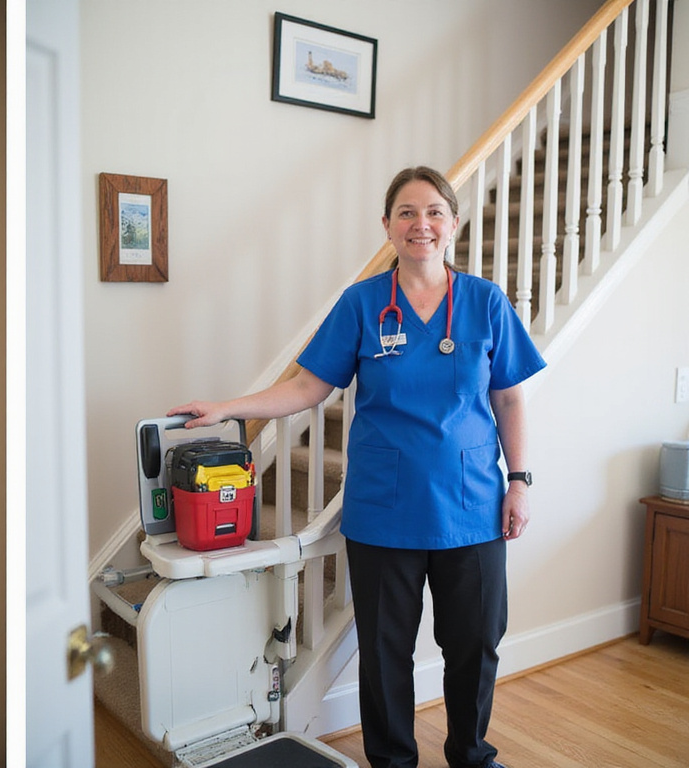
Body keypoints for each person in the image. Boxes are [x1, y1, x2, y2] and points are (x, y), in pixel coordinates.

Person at [168, 166, 545, 768]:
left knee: (475, 645)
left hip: (472, 506)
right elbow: (309, 386)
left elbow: (508, 398)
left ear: (452, 224)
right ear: (388, 226)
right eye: (406, 213)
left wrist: (520, 481)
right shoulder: (362, 303)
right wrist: (228, 407)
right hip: (384, 509)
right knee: (387, 649)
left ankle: (471, 755)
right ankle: (393, 763)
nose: (421, 224)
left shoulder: (486, 301)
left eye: (433, 212)